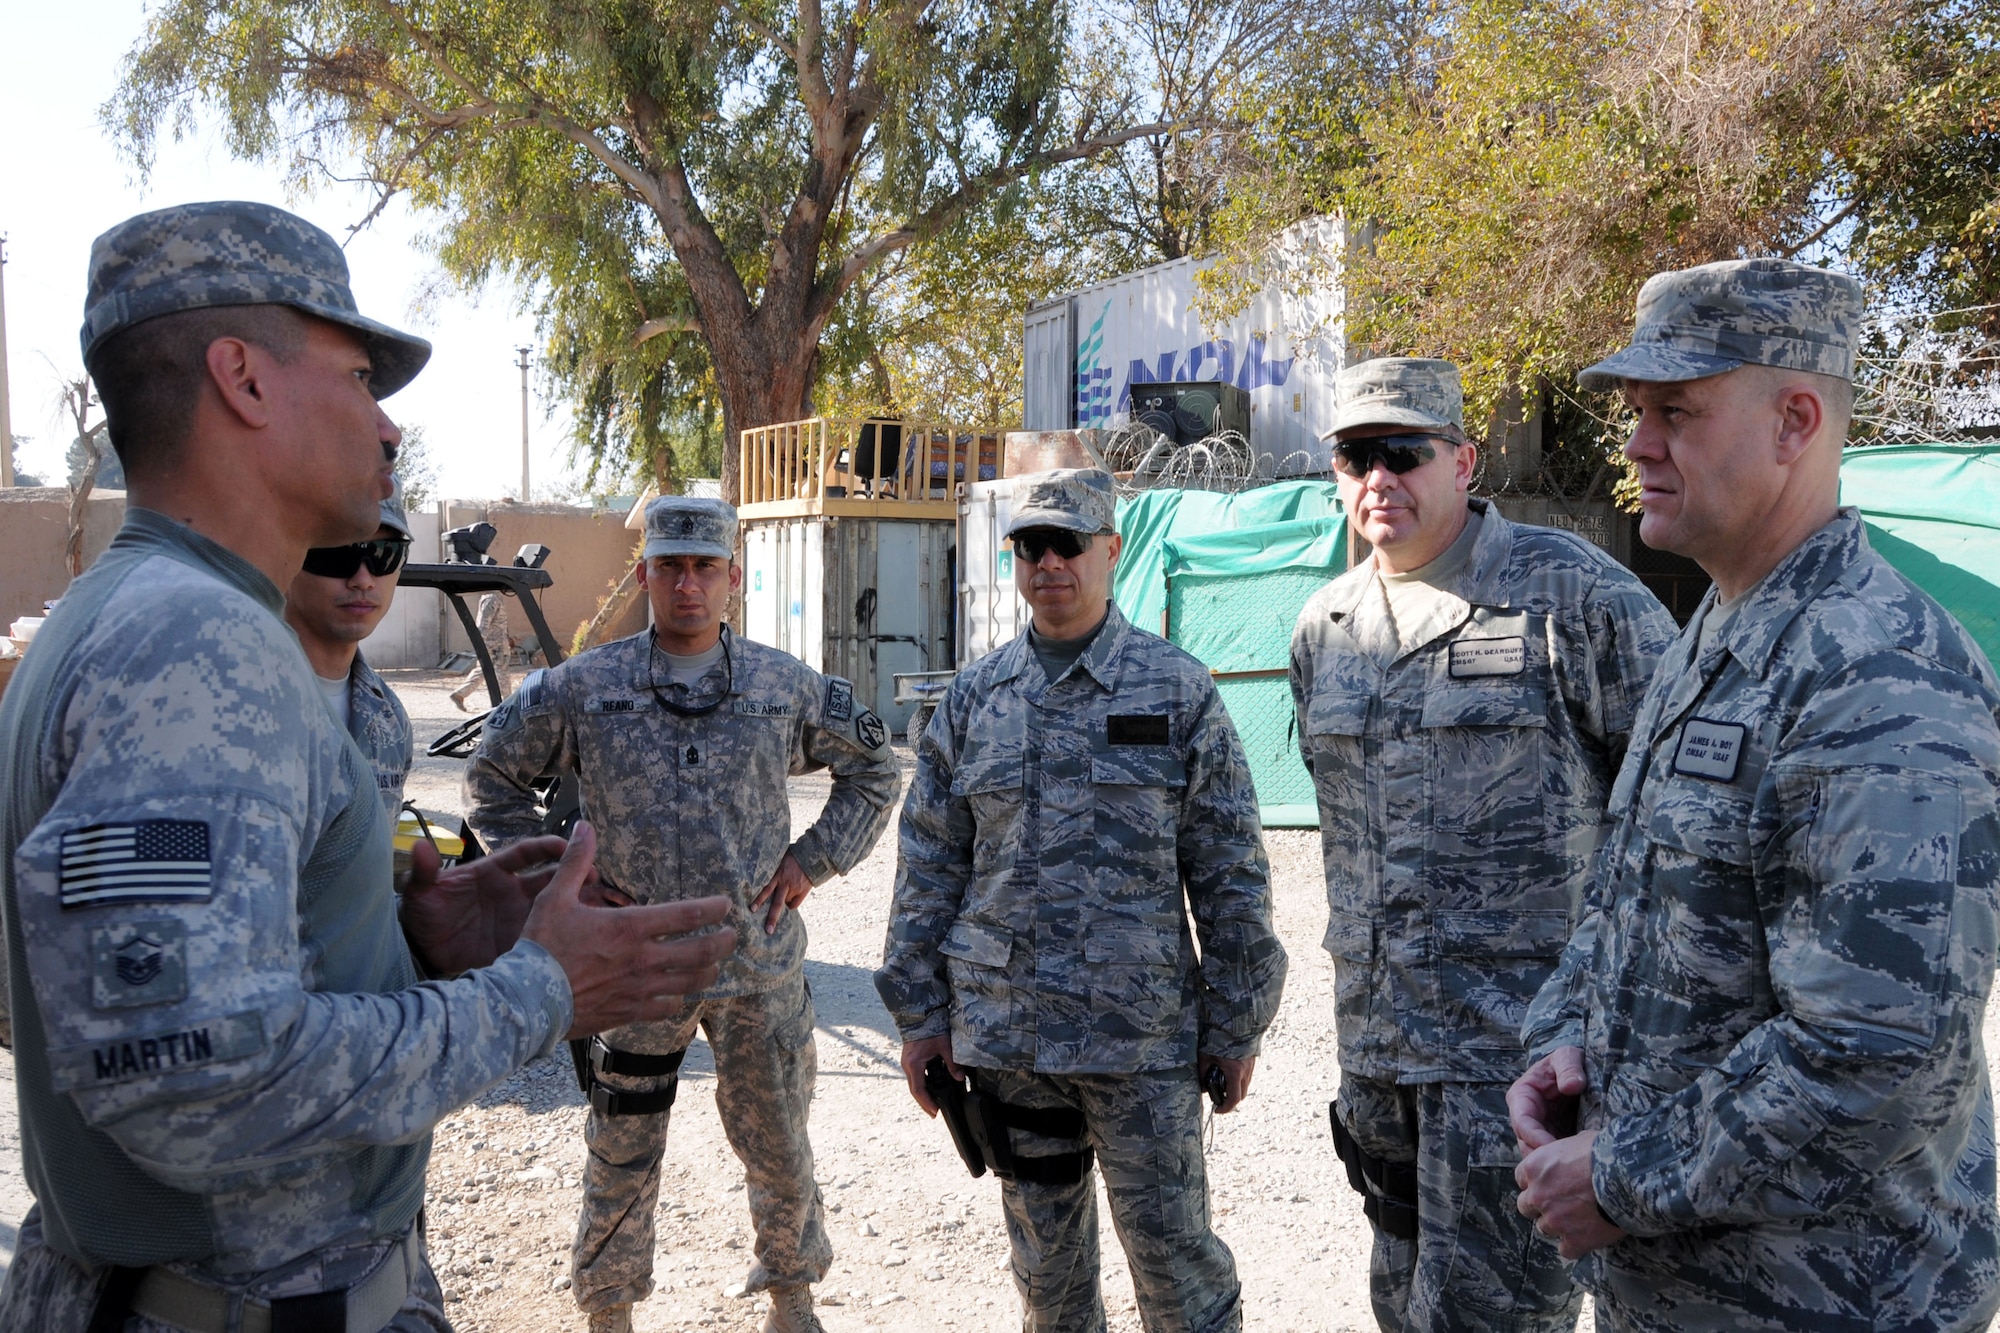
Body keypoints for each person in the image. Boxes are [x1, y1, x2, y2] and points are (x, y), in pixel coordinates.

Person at [0, 200, 737, 1333]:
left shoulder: (129, 613)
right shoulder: (194, 642)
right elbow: (200, 1085)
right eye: (358, 377)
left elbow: (194, 986)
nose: (388, 430)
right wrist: (539, 991)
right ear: (242, 379)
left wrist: (408, 945)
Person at [1509, 258, 2000, 1331]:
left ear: (1793, 420)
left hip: (1826, 1298)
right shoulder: (1720, 629)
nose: (1636, 442)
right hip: (1687, 1288)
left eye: (1674, 410)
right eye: (1637, 410)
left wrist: (1620, 1174)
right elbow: (1631, 892)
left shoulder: (1876, 676)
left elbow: (1876, 1049)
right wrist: (1565, 1040)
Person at [1288, 358, 1674, 1333]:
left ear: (1461, 460)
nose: (1376, 475)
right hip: (1377, 1058)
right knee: (1397, 1301)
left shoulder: (1573, 596)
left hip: (1519, 1064)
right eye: (1352, 455)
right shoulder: (1323, 628)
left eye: (1401, 452)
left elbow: (1676, 816)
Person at [465, 495, 901, 1333]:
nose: (688, 584)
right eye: (671, 566)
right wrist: (565, 883)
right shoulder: (587, 687)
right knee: (622, 1147)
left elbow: (875, 767)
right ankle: (610, 1310)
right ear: (645, 576)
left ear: (734, 578)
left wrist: (812, 860)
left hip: (756, 965)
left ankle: (793, 1298)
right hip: (631, 968)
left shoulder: (782, 687)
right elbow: (492, 774)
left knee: (778, 1142)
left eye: (706, 567)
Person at [877, 467, 1288, 1333]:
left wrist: (1238, 1022)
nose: (1048, 562)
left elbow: (1230, 871)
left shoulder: (1177, 692)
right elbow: (928, 868)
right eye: (1030, 545)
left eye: (1068, 543)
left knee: (1180, 1277)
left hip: (1140, 1044)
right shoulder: (973, 701)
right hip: (1011, 1043)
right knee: (1050, 1287)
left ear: (1112, 548)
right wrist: (921, 1018)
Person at [285, 480, 416, 815]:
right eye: (337, 554)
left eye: (384, 554)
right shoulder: (232, 694)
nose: (363, 579)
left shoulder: (390, 719)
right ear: (286, 553)